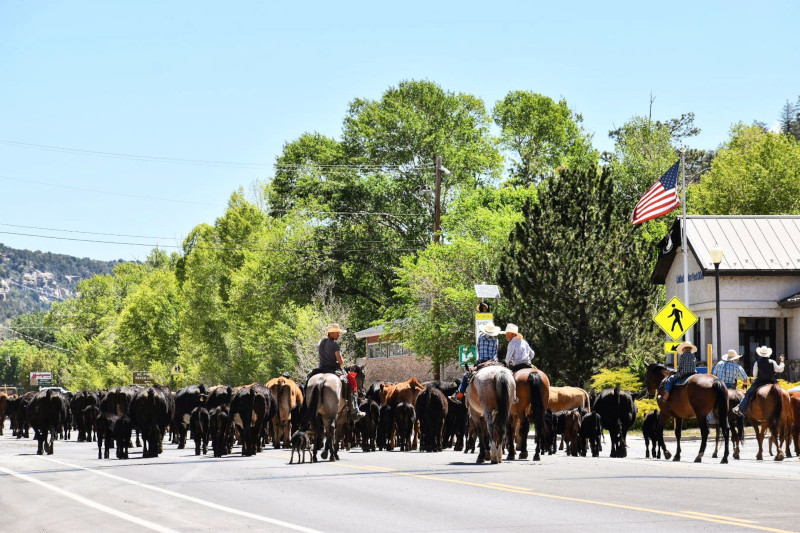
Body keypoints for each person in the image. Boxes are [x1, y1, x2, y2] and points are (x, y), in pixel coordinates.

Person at [308, 323, 364, 420]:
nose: (339, 335)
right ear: (332, 333)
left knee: (309, 379)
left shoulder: (321, 342)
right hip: (333, 369)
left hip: (321, 369)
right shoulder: (334, 344)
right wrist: (338, 361)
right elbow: (341, 361)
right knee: (351, 381)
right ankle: (355, 409)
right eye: (337, 333)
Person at [449, 322, 501, 403]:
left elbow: (479, 350)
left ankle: (459, 395)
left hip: (482, 362)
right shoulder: (496, 340)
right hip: (493, 363)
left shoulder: (480, 338)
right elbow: (495, 353)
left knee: (466, 375)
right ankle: (513, 395)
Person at [733, 346, 785, 416]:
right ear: (768, 354)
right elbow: (780, 370)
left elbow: (755, 374)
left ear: (760, 354)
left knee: (748, 393)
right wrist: (782, 362)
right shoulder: (772, 362)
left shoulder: (757, 363)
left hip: (760, 382)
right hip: (772, 381)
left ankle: (741, 409)